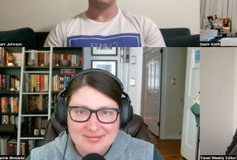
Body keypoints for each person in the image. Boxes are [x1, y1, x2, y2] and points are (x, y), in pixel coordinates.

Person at [27, 69, 163, 160]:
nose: (93, 127)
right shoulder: (39, 157)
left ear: (123, 116)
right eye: (80, 111)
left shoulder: (148, 156)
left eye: (106, 112)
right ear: (64, 114)